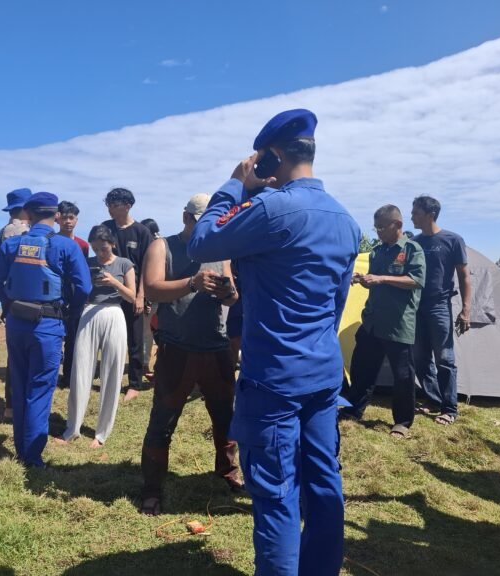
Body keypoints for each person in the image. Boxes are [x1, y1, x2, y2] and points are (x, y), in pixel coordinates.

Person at [188, 109, 360, 576]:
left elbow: (202, 242)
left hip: (274, 379)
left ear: (274, 155)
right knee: (324, 484)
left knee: (277, 493)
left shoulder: (272, 208)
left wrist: (233, 183)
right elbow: (339, 298)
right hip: (323, 373)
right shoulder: (345, 220)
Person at [139, 194, 241, 516]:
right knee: (163, 421)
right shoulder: (162, 246)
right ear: (187, 218)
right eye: (202, 221)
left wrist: (228, 292)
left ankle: (228, 471)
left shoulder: (220, 251)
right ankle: (152, 489)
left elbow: (232, 299)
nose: (209, 228)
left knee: (226, 418)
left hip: (216, 348)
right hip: (176, 349)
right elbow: (152, 288)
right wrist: (192, 283)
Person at [0, 192, 91, 468]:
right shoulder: (65, 246)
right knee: (40, 388)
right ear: (56, 216)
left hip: (17, 323)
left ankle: (22, 448)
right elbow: (84, 288)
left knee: (19, 384)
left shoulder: (12, 245)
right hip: (48, 325)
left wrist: (10, 303)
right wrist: (67, 311)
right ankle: (31, 457)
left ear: (28, 215)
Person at [341, 206, 426, 438]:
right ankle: (353, 410)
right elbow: (375, 282)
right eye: (375, 227)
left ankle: (402, 422)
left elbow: (416, 280)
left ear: (397, 225)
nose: (378, 232)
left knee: (403, 376)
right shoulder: (377, 252)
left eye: (381, 227)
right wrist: (363, 280)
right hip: (372, 321)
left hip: (398, 323)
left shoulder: (412, 249)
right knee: (362, 368)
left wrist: (381, 278)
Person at [57, 225, 135, 448]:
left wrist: (114, 282)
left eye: (103, 248)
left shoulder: (124, 264)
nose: (99, 253)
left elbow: (132, 296)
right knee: (80, 370)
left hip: (114, 313)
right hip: (88, 312)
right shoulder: (87, 263)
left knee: (112, 372)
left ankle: (102, 433)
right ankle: (72, 428)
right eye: (95, 249)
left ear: (112, 244)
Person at [410, 195, 472, 425]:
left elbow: (464, 276)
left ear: (430, 214)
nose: (412, 216)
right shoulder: (415, 243)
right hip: (416, 306)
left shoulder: (452, 240)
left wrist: (466, 310)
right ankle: (433, 399)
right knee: (420, 357)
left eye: (416, 212)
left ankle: (449, 408)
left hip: (439, 306)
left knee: (444, 358)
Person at [102, 188, 153, 401]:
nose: (111, 209)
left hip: (132, 294)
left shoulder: (142, 232)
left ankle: (134, 383)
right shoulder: (105, 228)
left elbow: (148, 267)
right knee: (108, 339)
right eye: (109, 205)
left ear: (127, 205)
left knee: (135, 339)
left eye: (115, 205)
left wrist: (141, 295)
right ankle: (107, 380)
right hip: (108, 293)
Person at [0, 188, 32, 420]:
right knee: (31, 355)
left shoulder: (3, 231)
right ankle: (24, 404)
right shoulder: (26, 230)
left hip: (10, 296)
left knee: (14, 355)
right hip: (31, 297)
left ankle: (10, 405)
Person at [56, 200, 90, 388]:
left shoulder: (83, 245)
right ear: (57, 219)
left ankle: (68, 376)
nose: (68, 221)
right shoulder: (51, 240)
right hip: (55, 294)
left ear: (76, 220)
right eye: (65, 217)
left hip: (75, 295)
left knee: (72, 338)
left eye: (72, 217)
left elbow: (82, 272)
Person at [140, 218, 162, 382]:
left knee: (149, 333)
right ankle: (146, 365)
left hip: (156, 297)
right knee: (150, 333)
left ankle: (148, 365)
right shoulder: (162, 244)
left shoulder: (155, 246)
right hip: (155, 297)